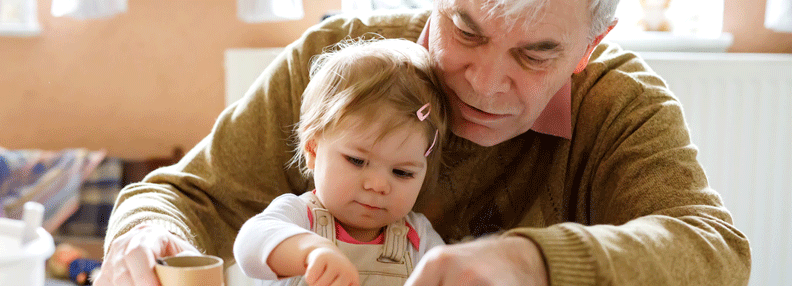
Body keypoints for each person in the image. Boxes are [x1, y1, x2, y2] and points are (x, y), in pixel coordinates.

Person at [94, 0, 752, 285]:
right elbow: (187, 197)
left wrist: (531, 263)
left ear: (586, 50)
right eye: (465, 28)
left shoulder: (620, 107)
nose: (485, 82)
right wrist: (145, 237)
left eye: (535, 53)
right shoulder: (339, 61)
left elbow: (715, 253)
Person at [233, 38, 447, 286]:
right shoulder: (300, 217)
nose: (378, 185)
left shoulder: (417, 237)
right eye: (357, 160)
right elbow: (248, 246)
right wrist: (310, 251)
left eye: (401, 172)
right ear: (313, 150)